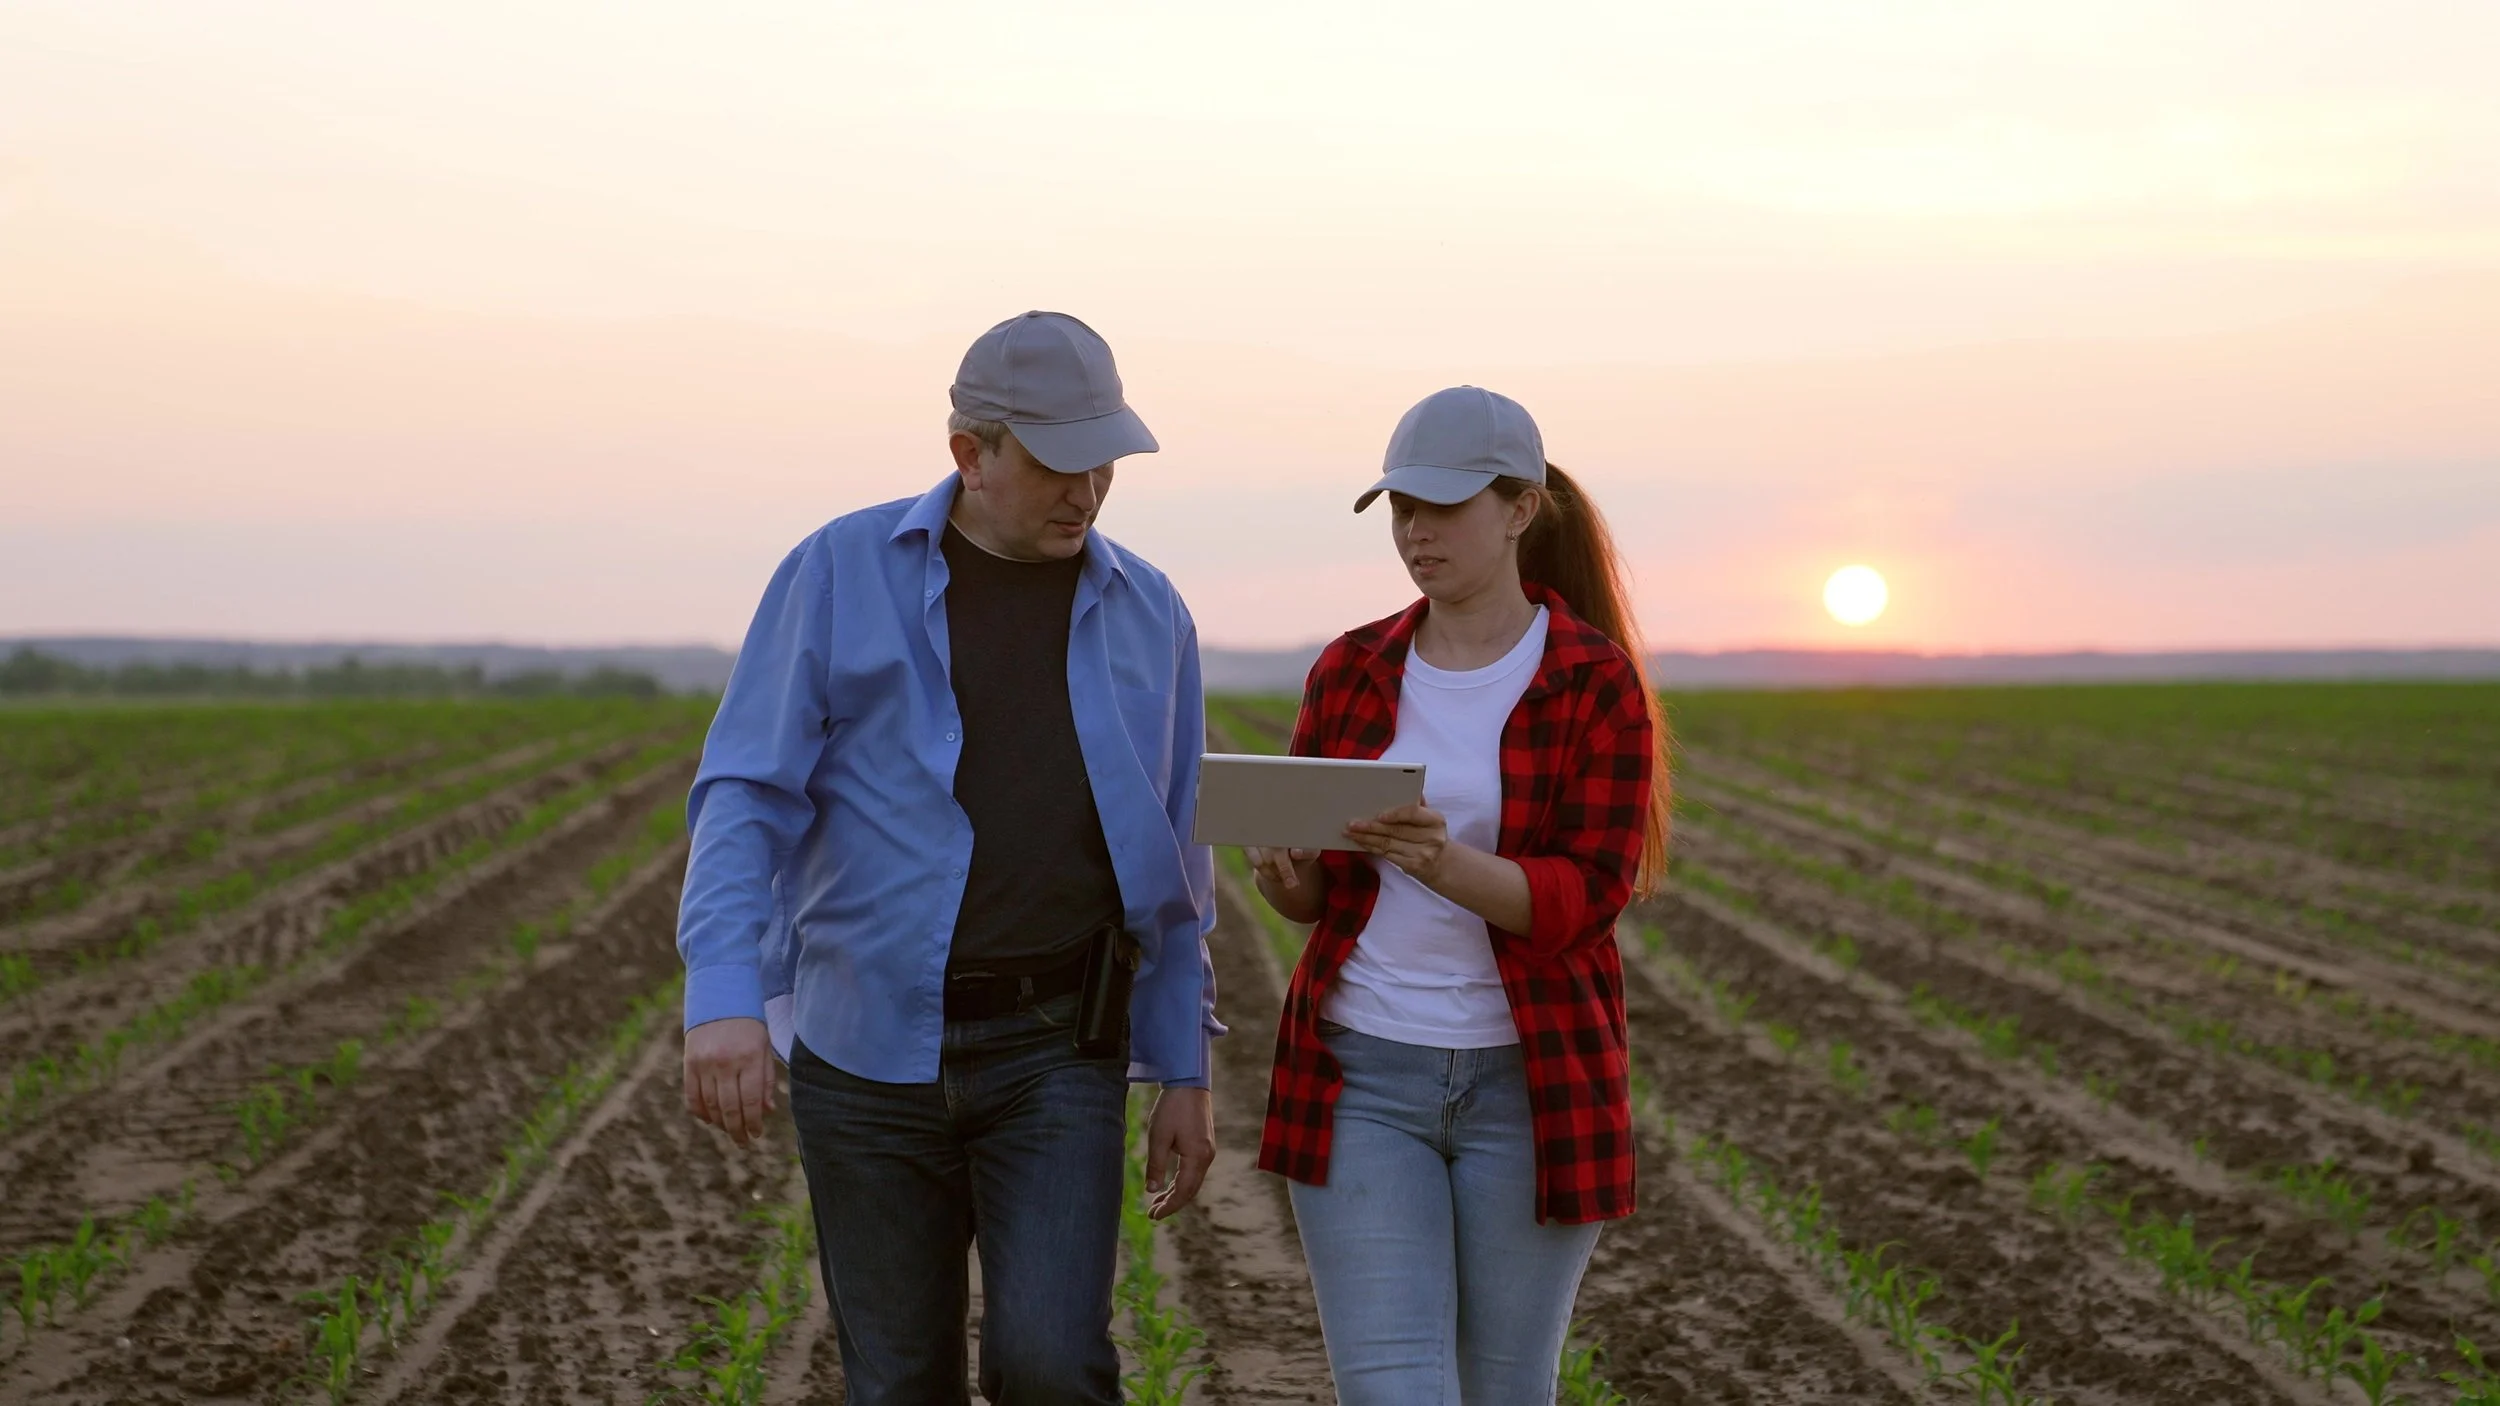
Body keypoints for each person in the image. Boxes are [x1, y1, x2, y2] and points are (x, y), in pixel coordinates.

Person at [675, 310, 1221, 1405]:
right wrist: (723, 994)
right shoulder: (836, 571)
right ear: (970, 452)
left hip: (1055, 1045)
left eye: (1104, 460)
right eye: (1059, 462)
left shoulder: (1149, 610)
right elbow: (746, 791)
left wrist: (1182, 1065)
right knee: (897, 1379)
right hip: (863, 1045)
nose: (1087, 489)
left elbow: (1176, 845)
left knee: (1052, 1363)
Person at [1247, 386, 1668, 1404]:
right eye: (1399, 507)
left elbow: (1584, 900)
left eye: (1441, 506)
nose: (1414, 531)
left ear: (1521, 507)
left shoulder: (1592, 681)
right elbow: (1315, 904)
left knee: (1505, 1385)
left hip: (1530, 1083)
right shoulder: (1351, 667)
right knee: (1391, 1386)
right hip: (1360, 1075)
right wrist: (1286, 874)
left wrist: (1445, 864)